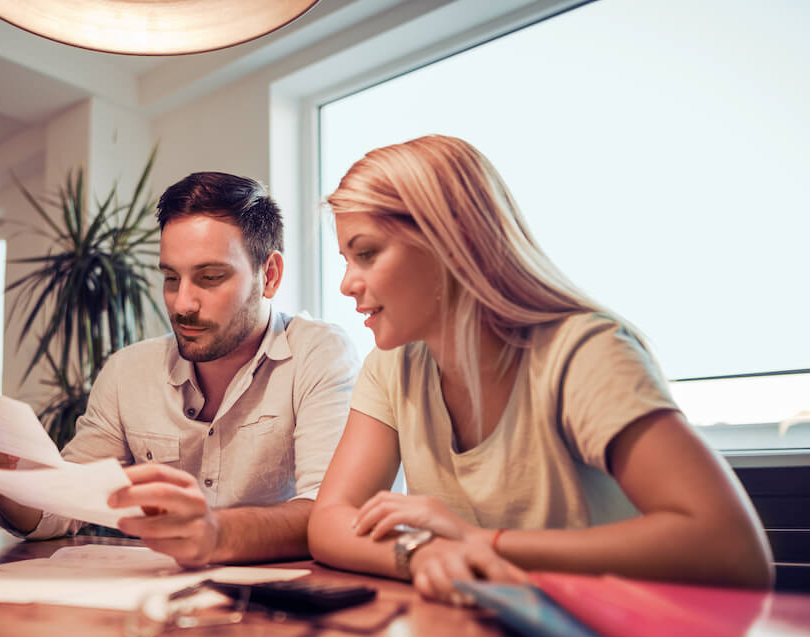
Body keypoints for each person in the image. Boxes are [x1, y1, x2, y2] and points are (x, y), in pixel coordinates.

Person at [307, 135, 773, 605]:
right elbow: (328, 520)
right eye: (346, 260)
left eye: (366, 253)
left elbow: (731, 548)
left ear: (452, 240)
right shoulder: (391, 365)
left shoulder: (583, 352)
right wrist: (419, 551)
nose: (348, 284)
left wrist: (481, 543)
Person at [0, 172, 358, 567]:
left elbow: (330, 512)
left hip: (283, 611)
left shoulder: (319, 355)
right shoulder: (128, 372)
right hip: (154, 605)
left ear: (269, 276)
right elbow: (60, 511)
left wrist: (216, 532)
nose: (182, 304)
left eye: (210, 277)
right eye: (170, 277)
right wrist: (2, 488)